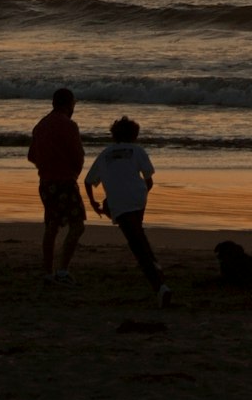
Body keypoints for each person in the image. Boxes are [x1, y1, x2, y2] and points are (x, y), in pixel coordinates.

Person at [84, 117, 171, 308]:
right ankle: (156, 268)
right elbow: (149, 179)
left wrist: (93, 203)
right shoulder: (137, 151)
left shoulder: (105, 153)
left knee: (135, 241)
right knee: (137, 233)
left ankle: (159, 284)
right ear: (135, 135)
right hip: (137, 196)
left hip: (117, 200)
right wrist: (139, 193)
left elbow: (88, 181)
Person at [28, 86, 86, 286]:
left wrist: (46, 167)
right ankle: (62, 270)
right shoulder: (69, 126)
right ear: (70, 104)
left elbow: (31, 156)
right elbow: (78, 156)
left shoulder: (41, 125)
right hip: (64, 181)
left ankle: (47, 271)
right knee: (77, 225)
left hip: (45, 181)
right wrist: (73, 173)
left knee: (51, 226)